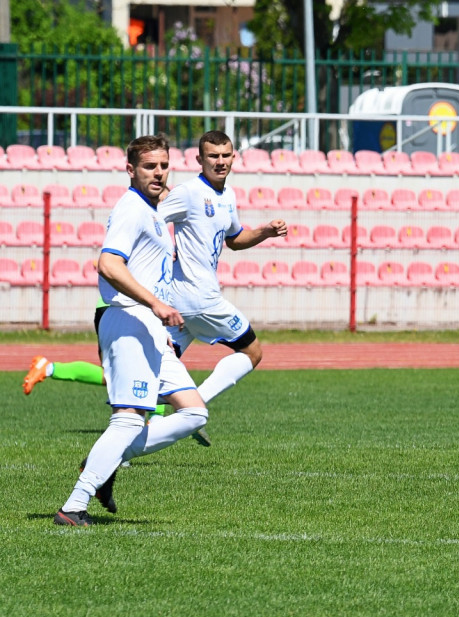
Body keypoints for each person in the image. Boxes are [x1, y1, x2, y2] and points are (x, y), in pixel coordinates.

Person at [55, 135, 209, 526]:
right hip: (128, 318)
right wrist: (155, 303)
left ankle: (107, 460)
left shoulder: (151, 209)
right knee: (128, 419)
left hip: (150, 327)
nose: (158, 173)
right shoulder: (131, 209)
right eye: (149, 167)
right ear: (130, 170)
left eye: (163, 166)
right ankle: (74, 506)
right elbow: (108, 264)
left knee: (194, 413)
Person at [158, 130, 286, 413]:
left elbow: (234, 239)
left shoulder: (228, 195)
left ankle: (128, 441)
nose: (220, 161)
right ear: (199, 159)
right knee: (252, 352)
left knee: (157, 372)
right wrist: (165, 249)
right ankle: (193, 405)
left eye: (225, 155)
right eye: (213, 156)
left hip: (181, 302)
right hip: (201, 299)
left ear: (233, 158)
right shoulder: (189, 193)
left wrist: (265, 231)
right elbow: (152, 218)